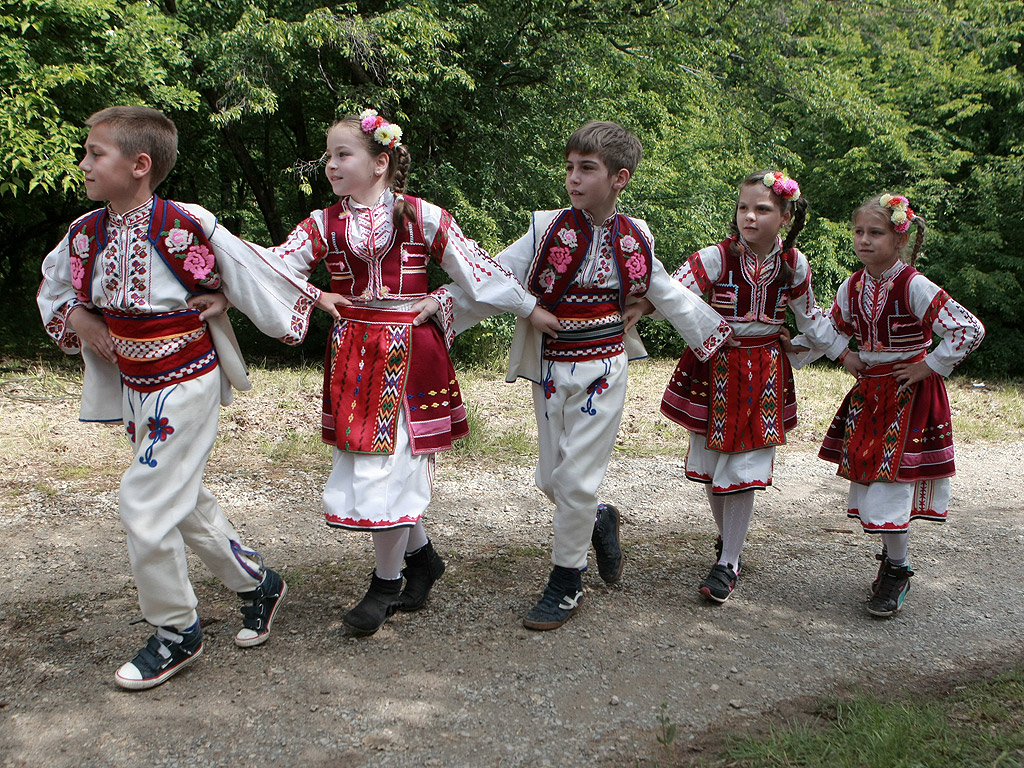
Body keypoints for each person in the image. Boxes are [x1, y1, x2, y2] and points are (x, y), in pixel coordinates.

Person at [37, 106, 333, 690]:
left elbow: (248, 265)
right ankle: (258, 584)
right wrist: (80, 319)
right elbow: (54, 289)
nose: (84, 163)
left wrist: (245, 296)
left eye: (96, 153)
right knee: (182, 496)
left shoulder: (183, 222)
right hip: (135, 388)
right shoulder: (84, 234)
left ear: (140, 165)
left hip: (185, 380)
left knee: (144, 501)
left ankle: (177, 629)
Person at [265, 109, 555, 636]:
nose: (330, 165)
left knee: (392, 467)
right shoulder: (321, 224)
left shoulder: (420, 216)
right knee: (371, 464)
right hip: (355, 356)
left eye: (342, 155)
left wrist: (521, 305)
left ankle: (385, 583)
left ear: (380, 163)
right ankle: (421, 560)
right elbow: (270, 267)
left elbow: (476, 268)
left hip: (411, 356)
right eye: (328, 155)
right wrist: (315, 292)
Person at [445, 121, 734, 630]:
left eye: (587, 169)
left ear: (620, 178)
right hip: (551, 366)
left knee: (576, 479)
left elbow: (665, 289)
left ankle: (566, 580)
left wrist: (710, 339)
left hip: (605, 365)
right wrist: (446, 308)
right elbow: (493, 275)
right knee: (550, 478)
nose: (573, 179)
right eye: (570, 168)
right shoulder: (545, 229)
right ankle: (599, 518)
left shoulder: (635, 235)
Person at [653, 170, 844, 604]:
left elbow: (811, 317)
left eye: (762, 209)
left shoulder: (794, 265)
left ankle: (728, 563)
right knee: (713, 464)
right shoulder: (715, 257)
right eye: (743, 207)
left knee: (742, 471)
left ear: (785, 215)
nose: (749, 217)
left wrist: (828, 352)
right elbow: (671, 297)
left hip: (763, 370)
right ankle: (729, 543)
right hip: (715, 367)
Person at [809, 194, 984, 616]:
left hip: (909, 395)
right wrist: (839, 353)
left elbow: (968, 329)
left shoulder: (914, 285)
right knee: (877, 483)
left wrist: (929, 366)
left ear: (898, 237)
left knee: (892, 485)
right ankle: (892, 563)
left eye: (876, 232)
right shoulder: (853, 285)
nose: (864, 240)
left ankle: (897, 572)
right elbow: (832, 328)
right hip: (872, 395)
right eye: (858, 232)